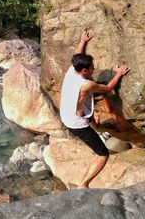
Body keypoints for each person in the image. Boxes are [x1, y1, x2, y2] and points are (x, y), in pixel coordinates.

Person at [60, 31, 129, 188]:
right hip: (77, 123)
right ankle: (83, 184)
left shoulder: (72, 70)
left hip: (68, 112)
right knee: (103, 155)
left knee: (92, 119)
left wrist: (82, 41)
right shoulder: (87, 85)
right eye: (91, 68)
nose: (94, 68)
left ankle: (97, 128)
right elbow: (108, 88)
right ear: (84, 71)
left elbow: (78, 54)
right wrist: (119, 73)